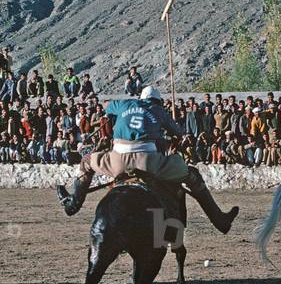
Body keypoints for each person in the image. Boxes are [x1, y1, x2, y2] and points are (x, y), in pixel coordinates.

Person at [55, 86, 238, 233]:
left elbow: (107, 107)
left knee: (86, 161)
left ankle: (73, 204)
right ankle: (220, 220)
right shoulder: (158, 110)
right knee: (192, 174)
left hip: (117, 160)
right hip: (149, 162)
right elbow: (179, 134)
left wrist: (112, 115)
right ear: (157, 102)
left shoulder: (124, 104)